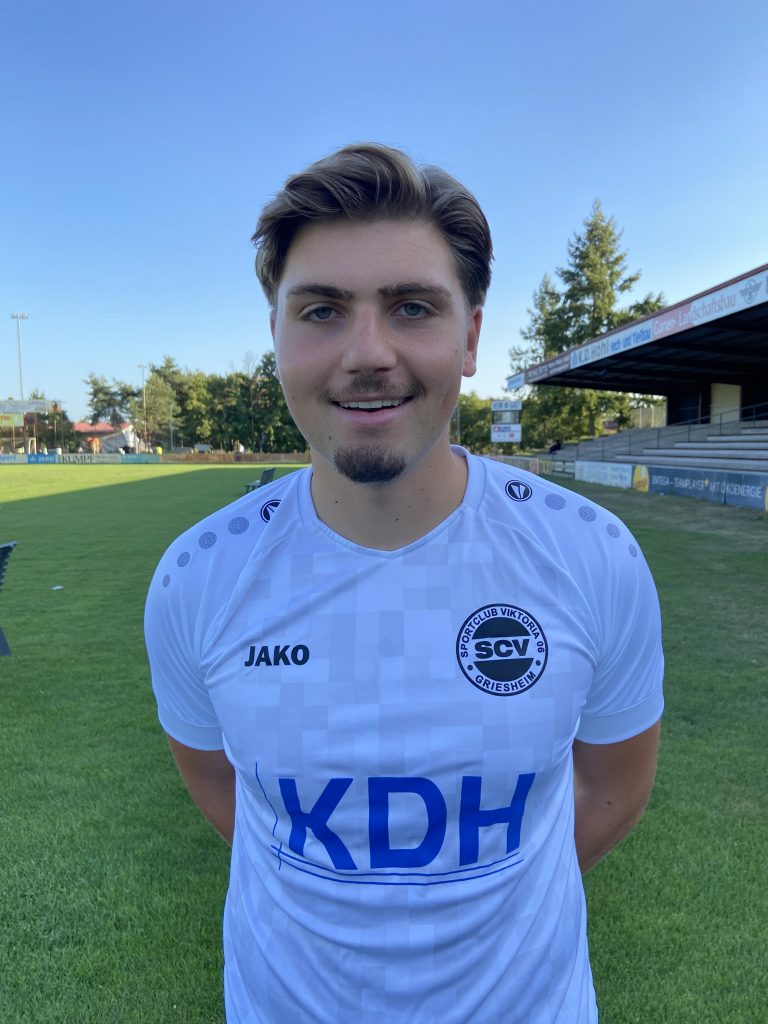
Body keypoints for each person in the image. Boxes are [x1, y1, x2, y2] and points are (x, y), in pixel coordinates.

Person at [145, 143, 664, 1023]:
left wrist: (481, 901)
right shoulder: (199, 577)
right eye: (321, 310)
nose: (367, 353)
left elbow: (614, 789)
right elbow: (223, 791)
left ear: (470, 339)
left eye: (412, 307)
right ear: (276, 336)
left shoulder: (592, 556)